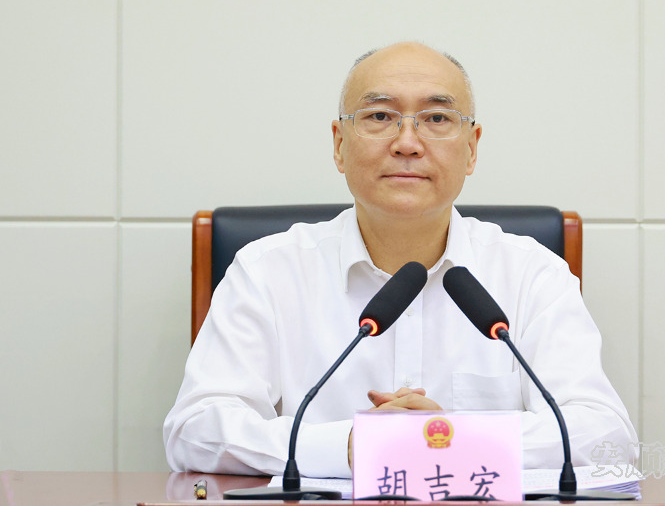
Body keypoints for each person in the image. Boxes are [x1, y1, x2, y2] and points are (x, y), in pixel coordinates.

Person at [163, 41, 638, 478]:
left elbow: (606, 436)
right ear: (339, 145)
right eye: (379, 116)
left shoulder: (533, 274)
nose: (407, 142)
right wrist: (352, 446)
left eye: (437, 118)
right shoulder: (267, 271)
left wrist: (452, 440)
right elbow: (195, 428)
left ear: (471, 149)